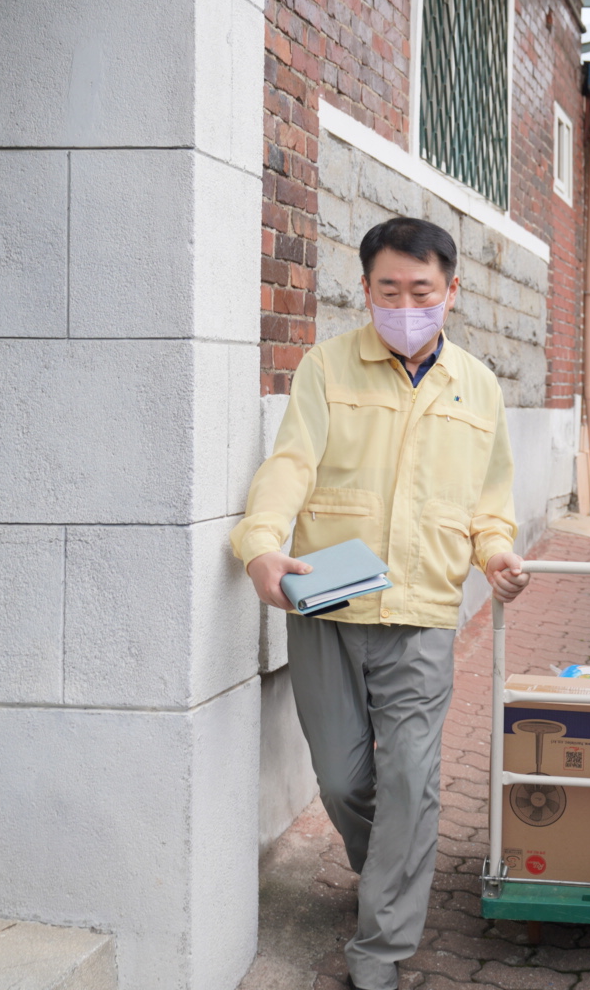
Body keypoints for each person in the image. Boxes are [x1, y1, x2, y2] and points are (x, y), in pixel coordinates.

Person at [230, 217, 529, 990]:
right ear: (364, 290)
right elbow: (289, 464)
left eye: (421, 290)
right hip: (327, 606)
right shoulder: (328, 369)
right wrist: (260, 543)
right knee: (342, 780)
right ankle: (388, 870)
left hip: (424, 608)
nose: (404, 304)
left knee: (409, 782)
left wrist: (495, 554)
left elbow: (491, 501)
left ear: (451, 293)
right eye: (388, 290)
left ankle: (382, 947)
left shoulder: (479, 387)